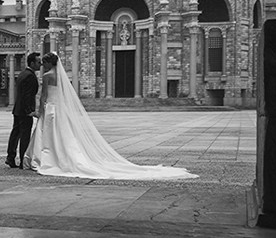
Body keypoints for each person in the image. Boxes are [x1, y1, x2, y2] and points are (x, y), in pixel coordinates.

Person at [28, 53, 197, 180]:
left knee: (50, 135)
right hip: (60, 109)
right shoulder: (60, 77)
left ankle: (50, 159)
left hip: (50, 108)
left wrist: (39, 111)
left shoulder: (47, 76)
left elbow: (43, 97)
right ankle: (64, 156)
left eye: (44, 61)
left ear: (50, 62)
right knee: (63, 135)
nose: (42, 64)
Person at [5, 52, 41, 169]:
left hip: (17, 109)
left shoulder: (22, 73)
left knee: (15, 134)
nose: (40, 64)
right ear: (32, 63)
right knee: (25, 135)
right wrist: (30, 110)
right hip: (25, 111)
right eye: (38, 62)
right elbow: (28, 95)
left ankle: (10, 157)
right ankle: (22, 162)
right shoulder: (30, 76)